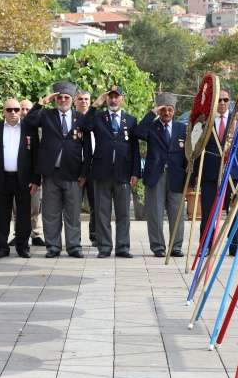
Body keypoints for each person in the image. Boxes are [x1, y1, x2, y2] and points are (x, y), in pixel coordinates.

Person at [23, 82, 91, 259]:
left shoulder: (80, 118)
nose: (62, 100)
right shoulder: (46, 114)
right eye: (59, 97)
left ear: (72, 99)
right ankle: (53, 246)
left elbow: (88, 147)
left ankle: (74, 246)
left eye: (66, 97)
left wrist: (85, 172)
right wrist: (41, 102)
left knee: (73, 213)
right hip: (51, 172)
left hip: (74, 174)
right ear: (55, 99)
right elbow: (29, 121)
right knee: (50, 213)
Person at [83, 86, 140, 258]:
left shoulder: (130, 120)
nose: (113, 100)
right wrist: (95, 104)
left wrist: (135, 172)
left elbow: (134, 148)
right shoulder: (99, 117)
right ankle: (105, 247)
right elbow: (84, 126)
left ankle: (122, 247)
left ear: (122, 99)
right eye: (110, 97)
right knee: (102, 213)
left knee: (123, 213)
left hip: (123, 172)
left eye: (117, 97)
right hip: (102, 172)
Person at [198, 89, 238, 257]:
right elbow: (198, 149)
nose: (222, 103)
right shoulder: (206, 121)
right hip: (210, 174)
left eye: (225, 99)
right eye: (219, 100)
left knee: (234, 212)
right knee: (208, 212)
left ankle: (235, 246)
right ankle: (206, 246)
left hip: (233, 173)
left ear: (230, 101)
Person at [135, 92, 187, 258]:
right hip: (156, 176)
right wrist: (152, 113)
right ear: (159, 110)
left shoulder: (183, 129)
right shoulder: (152, 127)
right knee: (155, 213)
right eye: (163, 109)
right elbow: (138, 132)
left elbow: (188, 154)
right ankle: (158, 247)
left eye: (170, 109)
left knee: (177, 213)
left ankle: (175, 246)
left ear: (174, 110)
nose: (167, 113)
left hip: (177, 176)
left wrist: (190, 180)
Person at [0, 98, 40, 259]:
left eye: (16, 110)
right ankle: (2, 248)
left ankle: (23, 247)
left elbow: (36, 155)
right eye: (9, 110)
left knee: (24, 215)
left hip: (24, 179)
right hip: (2, 178)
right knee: (2, 215)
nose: (13, 113)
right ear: (3, 111)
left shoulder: (28, 128)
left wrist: (35, 179)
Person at [9, 99, 45, 247]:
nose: (24, 112)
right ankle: (19, 235)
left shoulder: (38, 129)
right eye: (21, 109)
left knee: (35, 207)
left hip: (35, 174)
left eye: (27, 110)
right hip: (17, 176)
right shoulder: (12, 128)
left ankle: (36, 234)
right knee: (17, 208)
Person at [75, 90, 97, 246]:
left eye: (86, 99)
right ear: (75, 101)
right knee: (74, 205)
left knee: (95, 204)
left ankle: (95, 235)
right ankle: (75, 238)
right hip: (76, 168)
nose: (83, 102)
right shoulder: (71, 119)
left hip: (94, 167)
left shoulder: (97, 119)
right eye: (80, 99)